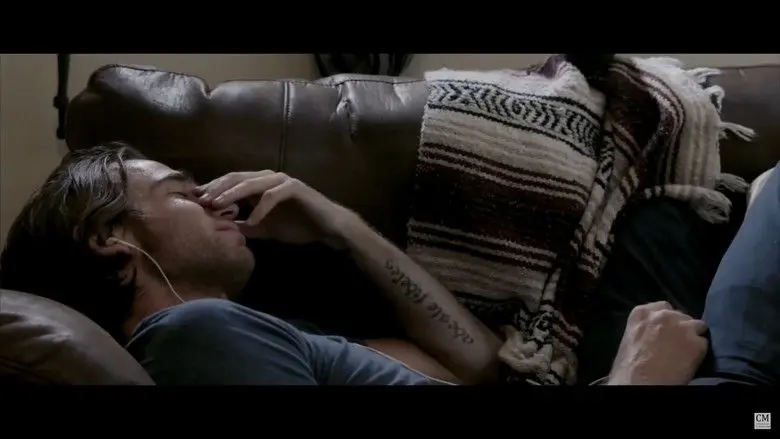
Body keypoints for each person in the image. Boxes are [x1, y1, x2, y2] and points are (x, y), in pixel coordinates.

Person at [0, 142, 774, 385]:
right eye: (183, 191)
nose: (218, 201)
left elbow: (481, 365)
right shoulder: (192, 335)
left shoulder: (258, 333)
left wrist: (339, 224)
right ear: (110, 237)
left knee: (667, 217)